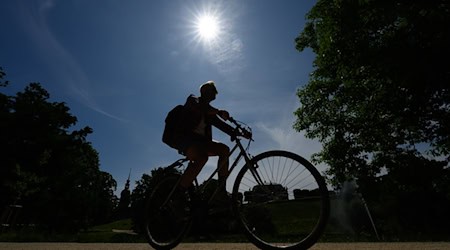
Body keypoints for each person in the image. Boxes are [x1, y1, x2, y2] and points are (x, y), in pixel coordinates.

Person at [177, 81, 240, 198]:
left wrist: (237, 132)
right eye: (212, 91)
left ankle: (221, 190)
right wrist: (219, 111)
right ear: (203, 91)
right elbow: (200, 107)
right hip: (185, 140)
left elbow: (221, 125)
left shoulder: (209, 112)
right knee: (202, 157)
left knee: (224, 150)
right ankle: (178, 195)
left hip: (201, 143)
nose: (214, 95)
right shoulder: (193, 99)